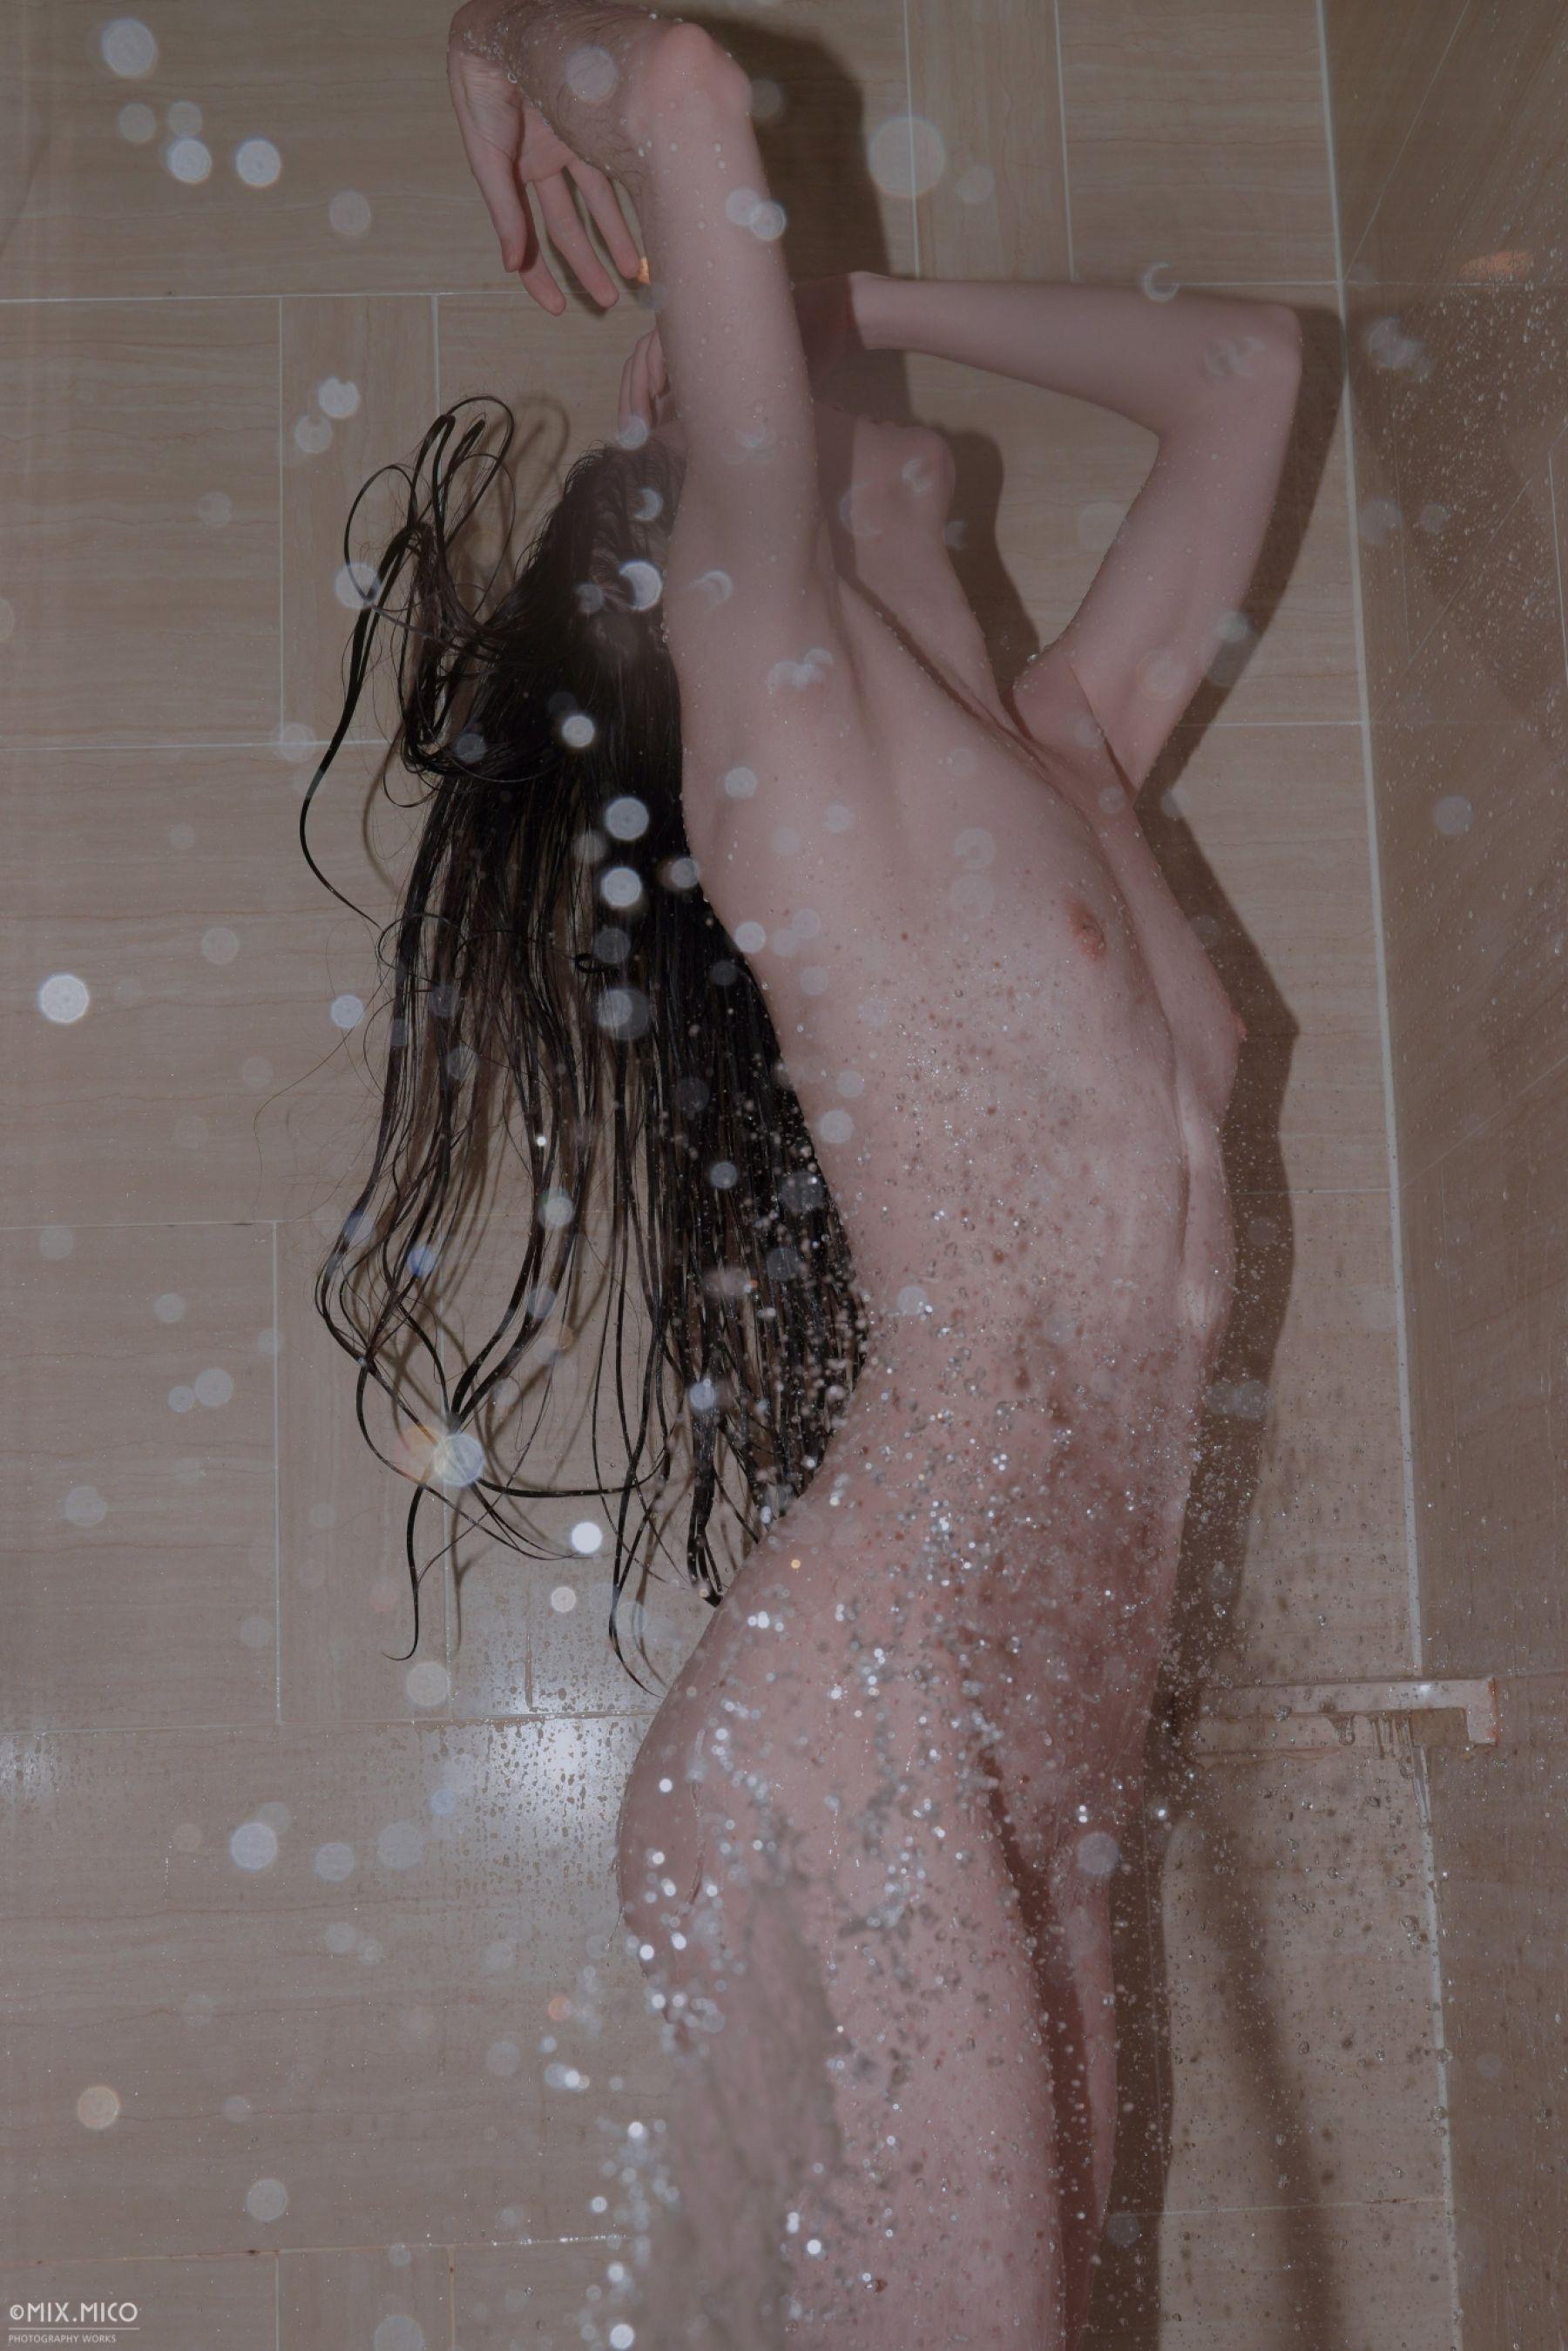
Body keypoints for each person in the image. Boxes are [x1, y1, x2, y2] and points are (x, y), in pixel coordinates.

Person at [310, 4, 1302, 2341]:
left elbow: (1248, 372)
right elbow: (673, 74)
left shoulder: (1067, 753)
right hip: (873, 1728)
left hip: (1035, 1768)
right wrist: (505, 37)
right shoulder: (770, 677)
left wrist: (846, 300)